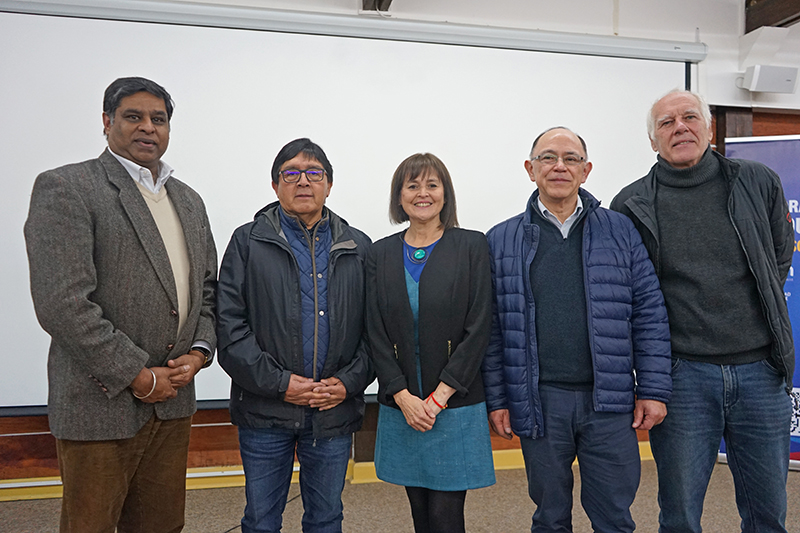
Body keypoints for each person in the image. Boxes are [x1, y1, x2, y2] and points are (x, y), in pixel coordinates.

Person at [24, 77, 217, 533]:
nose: (147, 127)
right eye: (134, 116)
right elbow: (63, 303)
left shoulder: (189, 201)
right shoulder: (68, 187)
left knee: (162, 526)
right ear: (107, 122)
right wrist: (138, 375)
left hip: (173, 402)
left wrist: (199, 353)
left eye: (159, 119)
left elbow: (207, 292)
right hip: (100, 403)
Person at [611, 90, 794, 533]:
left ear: (708, 128)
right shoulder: (630, 205)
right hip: (682, 379)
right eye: (666, 123)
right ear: (653, 141)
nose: (680, 128)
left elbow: (777, 257)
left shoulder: (758, 182)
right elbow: (631, 297)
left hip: (760, 374)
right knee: (679, 514)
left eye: (690, 117)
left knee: (769, 512)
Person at [482, 127, 672, 532]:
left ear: (585, 171)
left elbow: (649, 313)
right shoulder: (500, 240)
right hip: (540, 402)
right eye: (548, 157)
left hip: (610, 402)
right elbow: (494, 331)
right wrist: (498, 399)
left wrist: (653, 389)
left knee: (614, 517)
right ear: (530, 169)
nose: (559, 166)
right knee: (550, 518)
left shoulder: (620, 231)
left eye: (570, 159)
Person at [216, 138, 372, 533]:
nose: (303, 181)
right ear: (275, 186)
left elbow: (377, 332)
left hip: (332, 411)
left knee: (326, 518)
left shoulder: (358, 246)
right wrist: (282, 384)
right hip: (265, 413)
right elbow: (229, 328)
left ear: (329, 185)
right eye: (291, 173)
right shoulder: (247, 241)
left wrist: (347, 383)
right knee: (261, 520)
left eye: (314, 173)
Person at [366, 152, 495, 533]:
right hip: (403, 405)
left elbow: (479, 327)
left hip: (453, 405)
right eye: (412, 185)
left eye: (431, 185)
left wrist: (438, 398)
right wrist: (403, 397)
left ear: (445, 194)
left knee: (445, 516)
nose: (422, 193)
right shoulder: (380, 252)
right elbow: (374, 331)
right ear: (399, 196)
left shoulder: (472, 246)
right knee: (420, 514)